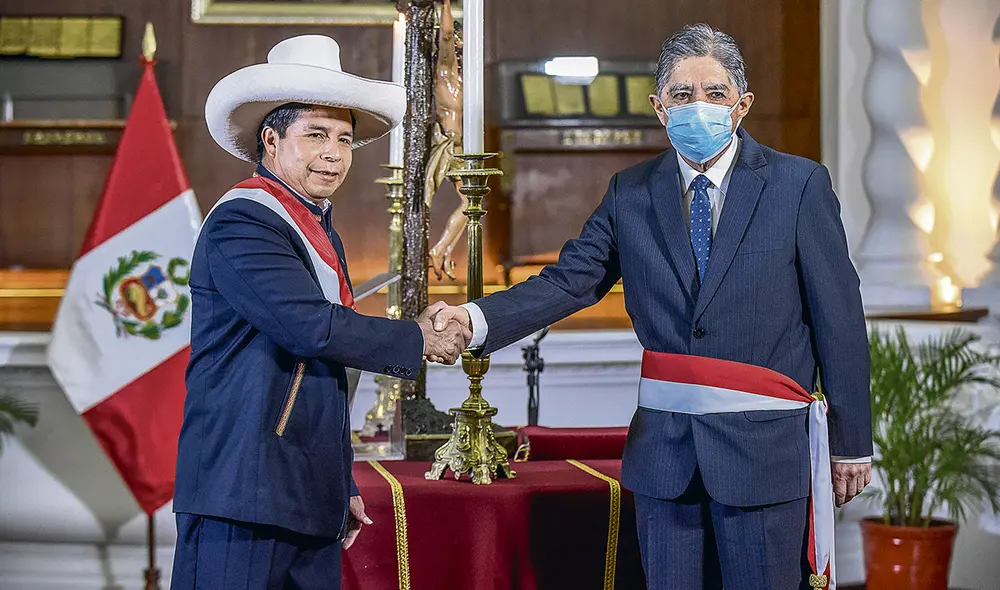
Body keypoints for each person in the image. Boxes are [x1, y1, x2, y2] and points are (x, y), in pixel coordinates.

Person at [430, 24, 872, 590]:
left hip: (766, 457)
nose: (700, 108)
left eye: (715, 94)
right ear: (659, 108)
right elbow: (570, 282)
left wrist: (852, 442)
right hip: (667, 461)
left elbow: (840, 318)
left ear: (743, 104)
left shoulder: (799, 184)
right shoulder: (630, 193)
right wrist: (476, 319)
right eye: (683, 96)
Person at [170, 35, 470, 589]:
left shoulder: (310, 222)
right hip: (244, 493)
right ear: (270, 139)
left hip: (303, 495)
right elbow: (311, 328)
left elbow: (322, 376)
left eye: (345, 139)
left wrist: (339, 486)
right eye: (315, 135)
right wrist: (418, 338)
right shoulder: (246, 221)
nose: (333, 153)